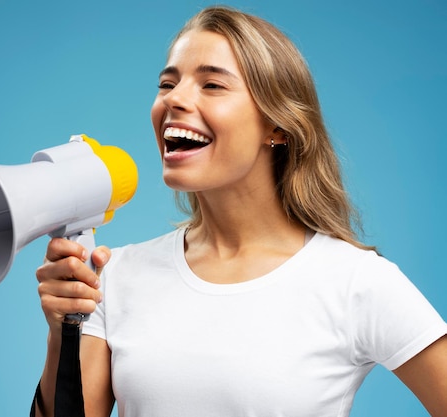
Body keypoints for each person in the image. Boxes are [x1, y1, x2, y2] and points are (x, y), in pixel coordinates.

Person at [34, 5, 447, 417]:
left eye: (212, 85)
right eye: (167, 84)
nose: (174, 99)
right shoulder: (115, 276)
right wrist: (62, 330)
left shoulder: (354, 282)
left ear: (277, 126)